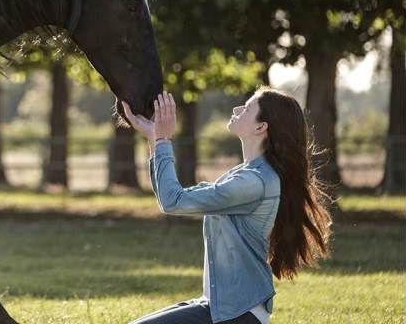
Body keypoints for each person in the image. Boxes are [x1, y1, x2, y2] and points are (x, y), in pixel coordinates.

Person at [122, 87, 332, 324]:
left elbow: (173, 201)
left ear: (260, 127)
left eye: (248, 108)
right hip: (221, 307)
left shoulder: (253, 182)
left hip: (238, 314)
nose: (237, 109)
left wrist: (162, 140)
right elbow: (173, 198)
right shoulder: (246, 175)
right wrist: (155, 138)